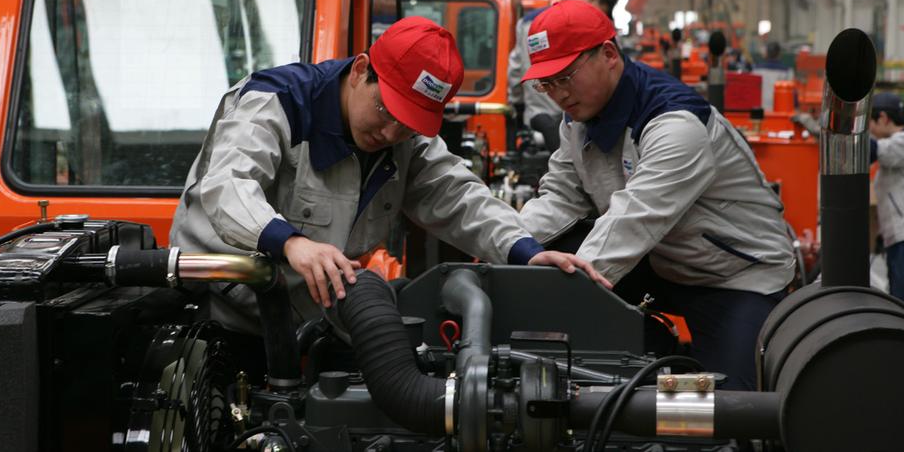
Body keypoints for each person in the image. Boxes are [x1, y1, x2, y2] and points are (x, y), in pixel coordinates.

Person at [171, 16, 609, 335]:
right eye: (387, 111)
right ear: (361, 70)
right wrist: (291, 242)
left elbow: (460, 199)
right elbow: (228, 188)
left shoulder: (404, 139)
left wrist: (526, 252)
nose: (390, 131)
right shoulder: (276, 104)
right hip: (219, 316)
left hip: (306, 321)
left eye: (409, 123)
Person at [517, 0, 795, 390]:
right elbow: (560, 198)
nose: (557, 94)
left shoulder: (674, 125)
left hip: (732, 276)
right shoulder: (577, 122)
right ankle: (654, 348)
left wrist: (549, 304)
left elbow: (633, 220)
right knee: (547, 254)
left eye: (565, 77)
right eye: (547, 84)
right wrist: (507, 249)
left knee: (731, 411)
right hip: (663, 261)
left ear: (609, 55)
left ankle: (666, 364)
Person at [869, 92, 904, 305]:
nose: (870, 130)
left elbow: (870, 150)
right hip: (898, 238)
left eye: (870, 123)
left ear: (883, 118)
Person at [509, 2, 564, 152]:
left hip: (538, 116)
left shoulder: (527, 23)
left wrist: (517, 104)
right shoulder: (574, 21)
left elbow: (515, 69)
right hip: (567, 121)